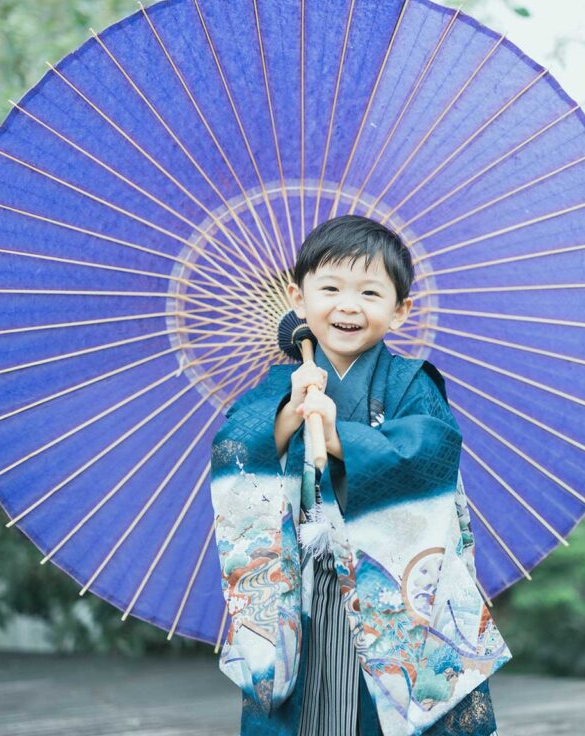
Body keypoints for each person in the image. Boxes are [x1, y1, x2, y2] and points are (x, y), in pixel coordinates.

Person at [210, 215, 510, 736]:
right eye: (330, 288)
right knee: (314, 717)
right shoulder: (280, 385)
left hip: (395, 604)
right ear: (298, 299)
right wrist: (287, 415)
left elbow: (432, 456)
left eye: (370, 292)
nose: (348, 305)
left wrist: (338, 439)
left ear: (400, 311)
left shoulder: (411, 384)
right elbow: (235, 446)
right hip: (305, 594)